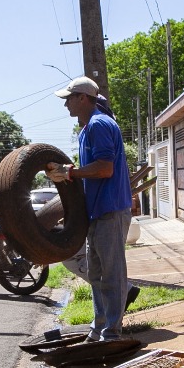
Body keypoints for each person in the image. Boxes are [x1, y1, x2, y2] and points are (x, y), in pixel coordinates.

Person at [47, 76, 135, 342]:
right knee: (96, 275)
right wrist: (68, 174)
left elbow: (105, 168)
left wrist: (70, 173)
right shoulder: (86, 130)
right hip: (96, 213)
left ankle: (112, 333)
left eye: (68, 99)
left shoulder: (99, 124)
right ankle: (99, 330)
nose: (66, 106)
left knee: (112, 274)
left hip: (111, 211)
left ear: (83, 98)